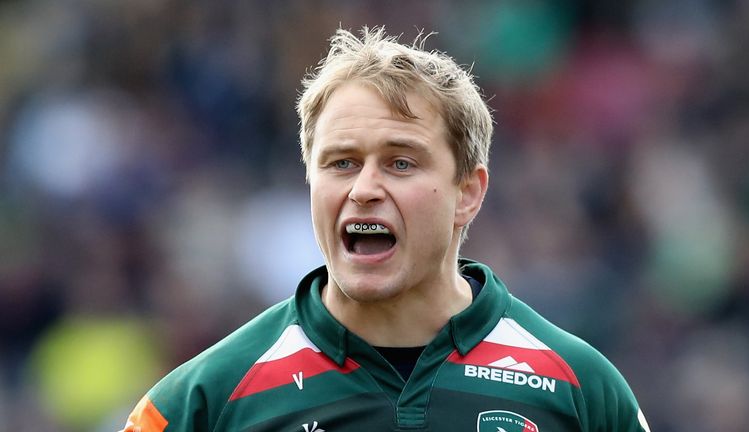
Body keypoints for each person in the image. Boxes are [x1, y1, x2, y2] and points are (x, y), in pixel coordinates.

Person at [121, 27, 651, 432]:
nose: (364, 188)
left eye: (400, 163)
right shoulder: (202, 402)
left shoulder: (582, 389)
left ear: (468, 192)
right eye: (341, 163)